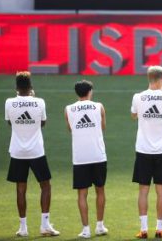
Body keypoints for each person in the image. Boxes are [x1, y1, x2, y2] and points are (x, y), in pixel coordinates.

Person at [4, 72, 59, 237]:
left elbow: (10, 122)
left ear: (16, 87)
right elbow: (42, 123)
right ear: (30, 86)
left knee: (21, 188)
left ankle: (23, 228)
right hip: (36, 151)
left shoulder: (9, 102)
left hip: (17, 152)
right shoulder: (39, 102)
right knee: (46, 186)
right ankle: (45, 225)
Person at [131, 66, 162, 239]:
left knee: (143, 190)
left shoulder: (138, 97)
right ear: (160, 79)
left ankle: (143, 229)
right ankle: (159, 229)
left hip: (143, 149)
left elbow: (134, 115)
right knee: (161, 190)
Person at [65, 80, 108, 239]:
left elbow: (71, 129)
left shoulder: (68, 109)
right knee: (100, 190)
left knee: (82, 194)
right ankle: (100, 226)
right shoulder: (99, 106)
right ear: (90, 91)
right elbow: (102, 127)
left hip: (80, 157)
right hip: (98, 155)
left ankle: (86, 230)